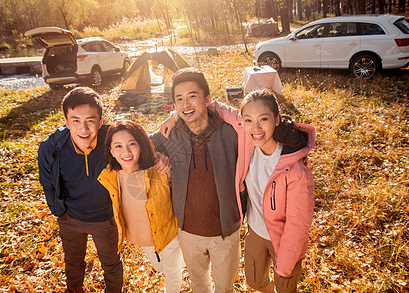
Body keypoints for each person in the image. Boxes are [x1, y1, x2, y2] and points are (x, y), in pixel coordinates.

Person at [161, 89, 315, 293]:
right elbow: (212, 105)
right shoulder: (248, 142)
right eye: (248, 120)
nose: (256, 128)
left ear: (277, 119)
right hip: (256, 231)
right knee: (255, 282)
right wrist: (174, 115)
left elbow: (298, 224)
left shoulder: (296, 171)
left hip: (284, 238)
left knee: (285, 287)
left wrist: (284, 267)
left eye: (264, 119)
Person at [38, 87, 170, 293]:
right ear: (66, 120)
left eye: (90, 120)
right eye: (75, 120)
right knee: (73, 260)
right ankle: (74, 288)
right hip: (70, 217)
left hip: (105, 217)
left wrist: (158, 156)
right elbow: (47, 182)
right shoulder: (51, 148)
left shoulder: (111, 138)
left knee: (111, 263)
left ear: (100, 121)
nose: (84, 128)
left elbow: (139, 144)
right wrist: (58, 211)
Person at [151, 67, 242, 293]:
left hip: (226, 232)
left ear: (208, 99)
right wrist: (157, 155)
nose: (186, 105)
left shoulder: (230, 133)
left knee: (224, 288)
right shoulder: (169, 134)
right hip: (188, 231)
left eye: (192, 96)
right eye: (179, 100)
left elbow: (258, 126)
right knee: (199, 286)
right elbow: (140, 144)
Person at [97, 120, 183, 293]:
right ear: (111, 151)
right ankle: (181, 261)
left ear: (141, 145)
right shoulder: (111, 175)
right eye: (118, 146)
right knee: (161, 268)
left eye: (132, 144)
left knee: (172, 274)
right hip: (143, 238)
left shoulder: (158, 170)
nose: (126, 152)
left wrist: (162, 157)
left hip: (167, 234)